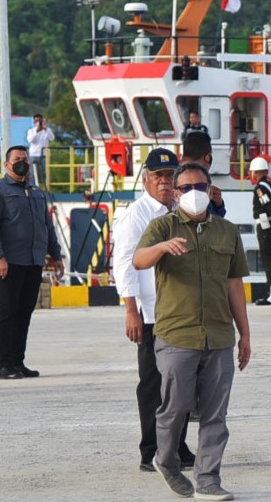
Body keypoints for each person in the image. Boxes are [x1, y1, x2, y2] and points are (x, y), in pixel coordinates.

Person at [133, 162, 251, 500]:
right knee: (176, 407)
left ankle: (208, 480)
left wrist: (244, 334)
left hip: (218, 336)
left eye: (200, 186)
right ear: (175, 192)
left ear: (210, 189)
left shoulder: (227, 231)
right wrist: (162, 248)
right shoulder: (163, 226)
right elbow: (138, 260)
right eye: (186, 188)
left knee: (216, 414)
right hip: (176, 335)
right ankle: (166, 460)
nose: (193, 193)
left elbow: (234, 285)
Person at [111, 148, 195, 473]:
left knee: (183, 381)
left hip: (180, 312)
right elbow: (124, 265)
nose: (164, 181)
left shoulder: (182, 211)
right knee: (153, 383)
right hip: (150, 314)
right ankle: (152, 450)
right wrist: (131, 310)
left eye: (169, 175)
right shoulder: (137, 214)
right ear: (145, 178)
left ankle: (177, 444)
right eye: (158, 176)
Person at [0, 145, 65, 379]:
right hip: (8, 262)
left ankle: (18, 362)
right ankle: (4, 365)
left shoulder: (36, 192)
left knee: (24, 312)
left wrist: (55, 255)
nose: (22, 163)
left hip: (33, 261)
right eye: (17, 159)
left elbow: (47, 226)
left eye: (25, 159)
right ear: (6, 164)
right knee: (7, 312)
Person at [249, 156, 271, 306]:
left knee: (268, 259)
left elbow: (268, 207)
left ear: (255, 173)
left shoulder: (260, 189)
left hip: (265, 226)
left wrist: (269, 227)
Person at [181, 131, 226, 217]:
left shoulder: (173, 177)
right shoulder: (200, 179)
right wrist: (218, 207)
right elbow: (213, 222)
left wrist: (218, 204)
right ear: (208, 157)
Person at [26, 114, 55, 187]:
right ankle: (33, 188)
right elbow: (30, 140)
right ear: (34, 122)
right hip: (34, 154)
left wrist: (46, 129)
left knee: (46, 173)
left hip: (45, 154)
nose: (38, 122)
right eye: (36, 121)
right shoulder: (31, 131)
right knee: (32, 174)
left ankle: (47, 188)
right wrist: (37, 131)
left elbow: (52, 138)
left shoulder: (47, 130)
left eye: (39, 121)